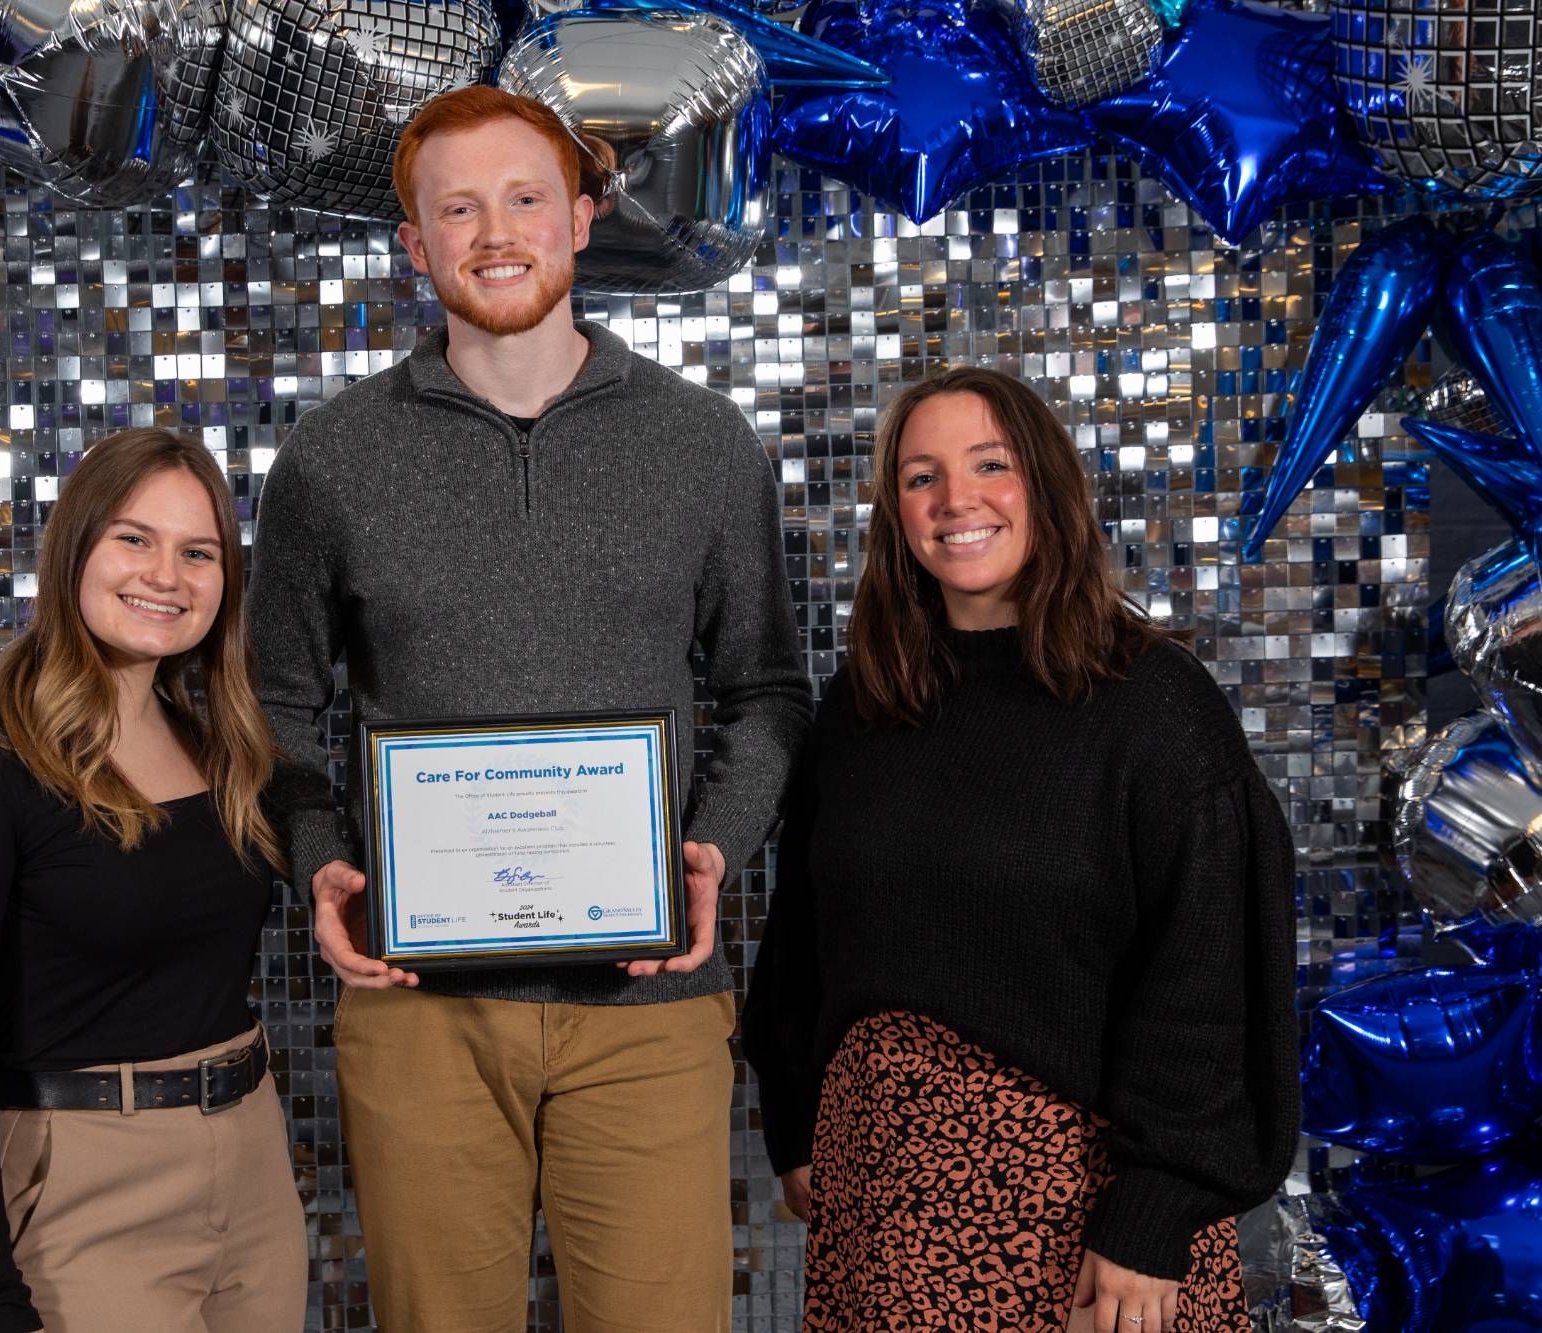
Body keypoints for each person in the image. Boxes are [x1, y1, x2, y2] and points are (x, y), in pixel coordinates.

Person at [247, 85, 812, 1332]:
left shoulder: (704, 443)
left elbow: (769, 689)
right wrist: (321, 860)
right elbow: (274, 700)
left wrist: (713, 845)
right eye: (457, 208)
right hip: (419, 1010)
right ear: (415, 243)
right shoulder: (332, 460)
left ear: (580, 216)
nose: (493, 231)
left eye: (522, 198)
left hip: (650, 1007)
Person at [742, 369, 1300, 1333]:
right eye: (921, 477)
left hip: (1089, 1223)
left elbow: (1208, 978)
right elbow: (803, 940)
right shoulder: (863, 707)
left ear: (1046, 484)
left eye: (989, 465)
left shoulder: (1155, 708)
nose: (956, 501)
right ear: (897, 513)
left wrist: (1154, 1211)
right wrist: (797, 1116)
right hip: (876, 1210)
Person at [0, 429, 307, 1333]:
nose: (167, 574)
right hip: (87, 1183)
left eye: (199, 552)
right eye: (133, 538)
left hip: (253, 1166)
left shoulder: (218, 745)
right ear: (75, 546)